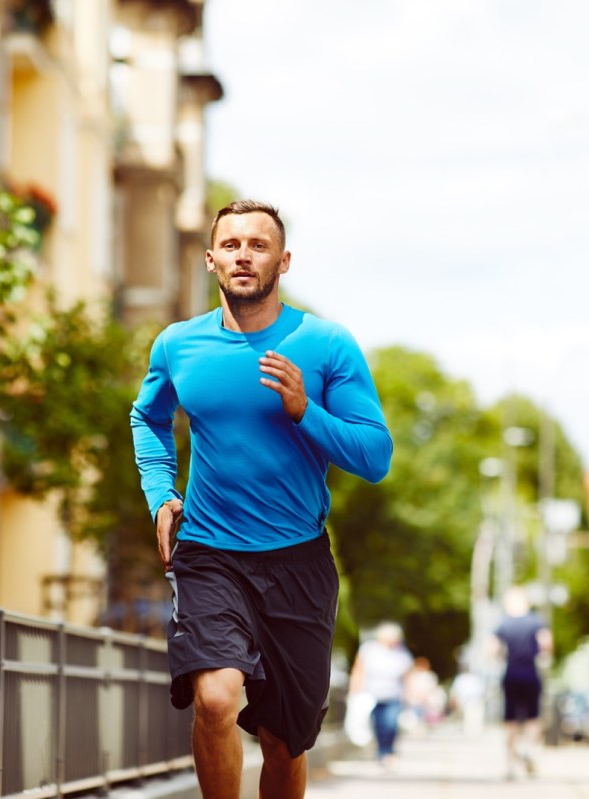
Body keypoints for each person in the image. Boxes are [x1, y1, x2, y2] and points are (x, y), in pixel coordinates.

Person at [130, 199, 393, 799]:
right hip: (210, 552)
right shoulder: (178, 345)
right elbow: (147, 418)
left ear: (283, 260)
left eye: (258, 244)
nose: (243, 255)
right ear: (210, 259)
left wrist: (306, 411)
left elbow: (375, 456)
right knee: (217, 696)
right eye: (231, 245)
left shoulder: (325, 344)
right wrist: (160, 495)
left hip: (298, 560)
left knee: (284, 740)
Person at [494, 586, 553, 780]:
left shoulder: (504, 624)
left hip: (511, 673)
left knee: (510, 721)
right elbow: (546, 643)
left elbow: (492, 648)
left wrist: (503, 655)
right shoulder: (536, 622)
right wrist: (542, 655)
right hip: (531, 673)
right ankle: (530, 750)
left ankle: (510, 763)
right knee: (533, 718)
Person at [348, 622, 413, 767]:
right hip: (372, 695)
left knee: (391, 724)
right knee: (378, 725)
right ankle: (382, 752)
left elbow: (407, 676)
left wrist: (409, 694)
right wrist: (354, 690)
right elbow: (359, 671)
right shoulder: (368, 650)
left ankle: (388, 751)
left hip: (394, 695)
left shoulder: (401, 653)